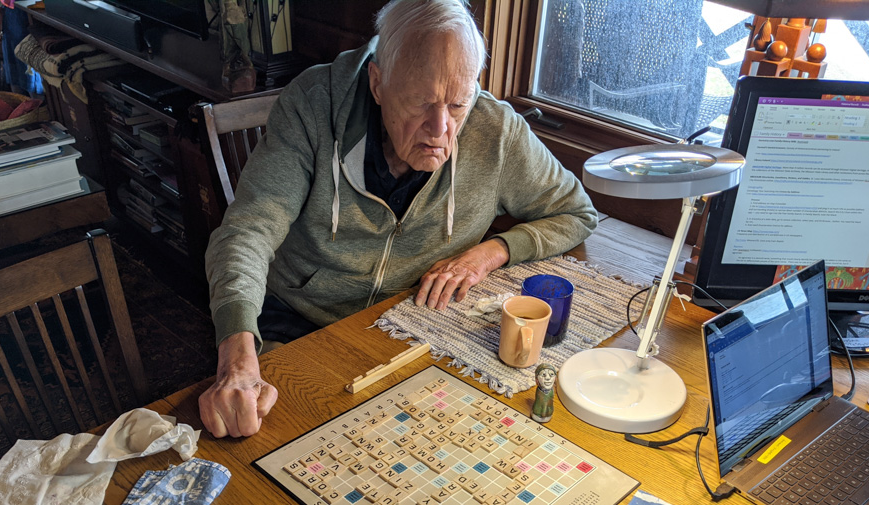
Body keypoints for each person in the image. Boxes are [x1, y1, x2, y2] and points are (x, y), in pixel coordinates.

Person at [198, 0, 598, 439]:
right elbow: (247, 232)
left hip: (409, 324)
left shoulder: (495, 130)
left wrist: (492, 252)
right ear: (377, 83)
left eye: (458, 104)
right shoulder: (314, 105)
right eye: (420, 103)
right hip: (297, 321)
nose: (440, 128)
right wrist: (236, 359)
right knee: (267, 442)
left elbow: (575, 211)